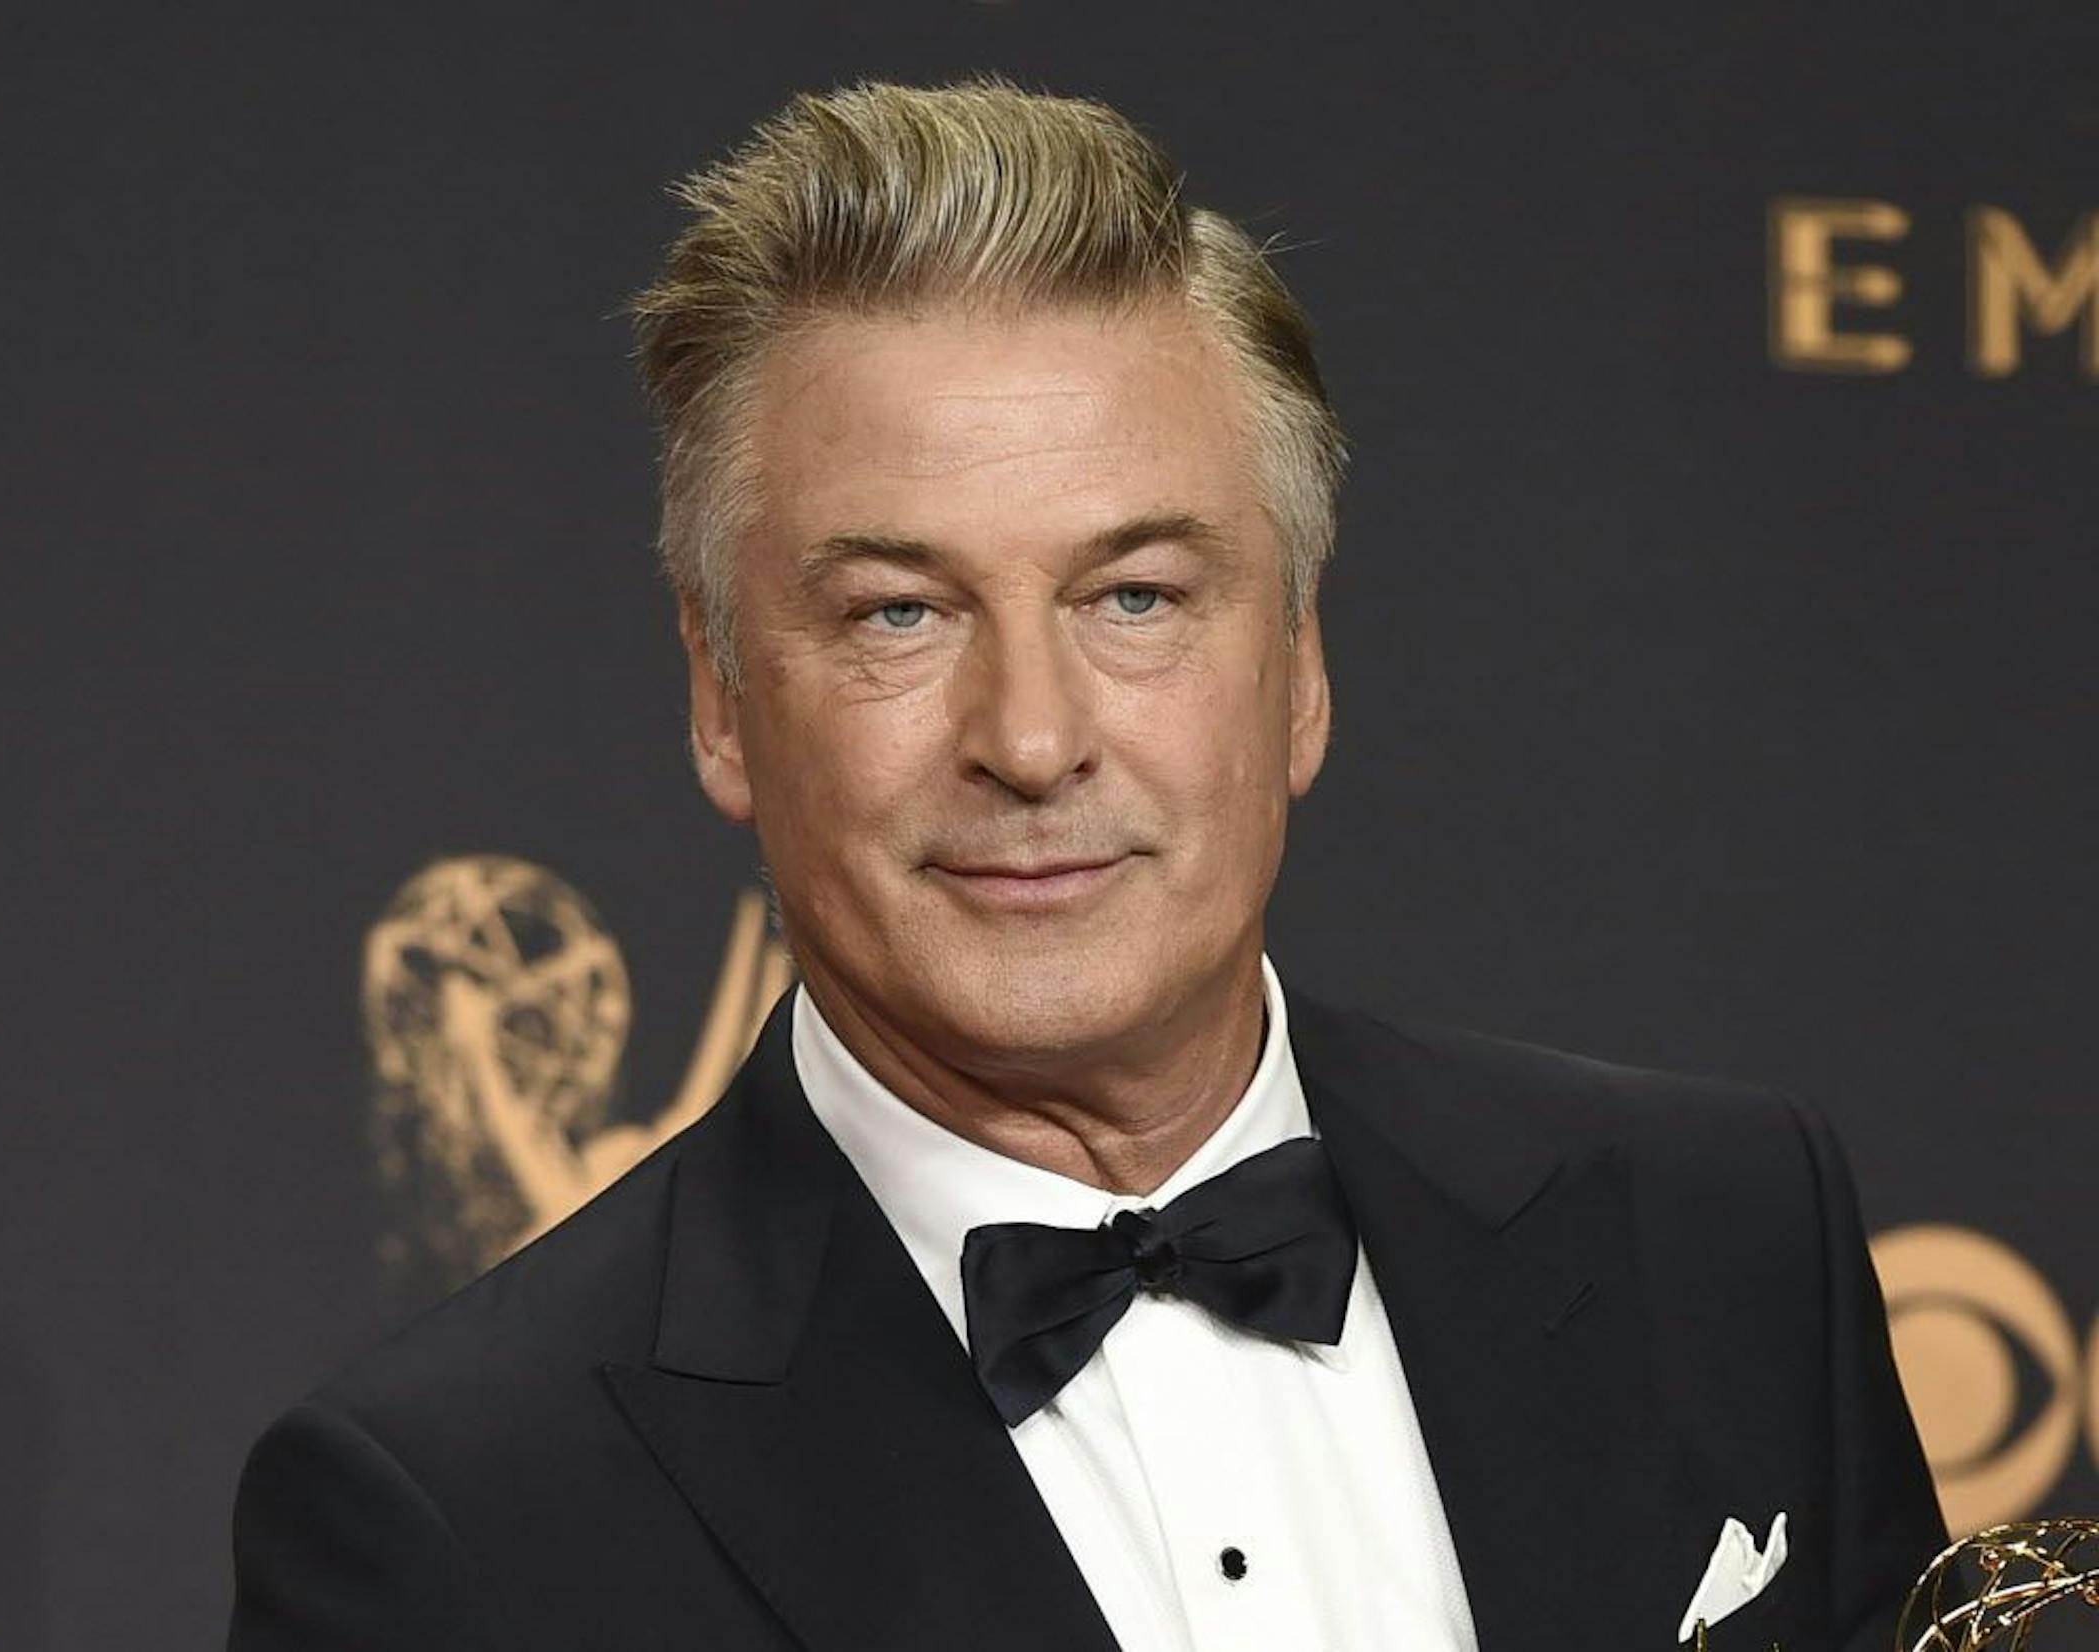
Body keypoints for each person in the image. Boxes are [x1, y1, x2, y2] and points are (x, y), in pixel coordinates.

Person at [225, 78, 1945, 1652]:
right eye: (898, 613)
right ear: (723, 700)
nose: (1033, 741)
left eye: (1135, 597)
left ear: (1301, 668)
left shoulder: (1721, 1236)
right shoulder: (456, 1518)